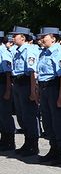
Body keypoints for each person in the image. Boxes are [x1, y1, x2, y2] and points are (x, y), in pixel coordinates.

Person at [36, 27, 61, 165]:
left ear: (53, 38)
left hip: (55, 88)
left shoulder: (59, 52)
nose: (41, 39)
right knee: (48, 121)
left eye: (44, 36)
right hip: (45, 89)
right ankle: (54, 149)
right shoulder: (44, 53)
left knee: (58, 122)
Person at [9, 26, 41, 156]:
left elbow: (32, 72)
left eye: (15, 35)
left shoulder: (29, 50)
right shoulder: (17, 51)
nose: (12, 38)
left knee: (29, 116)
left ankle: (33, 144)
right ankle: (27, 142)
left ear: (22, 37)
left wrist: (33, 91)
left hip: (26, 84)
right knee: (22, 116)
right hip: (18, 84)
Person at [0, 31, 15, 151]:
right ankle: (3, 139)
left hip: (3, 84)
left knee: (5, 113)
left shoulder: (3, 51)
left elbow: (8, 73)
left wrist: (8, 90)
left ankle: (9, 141)